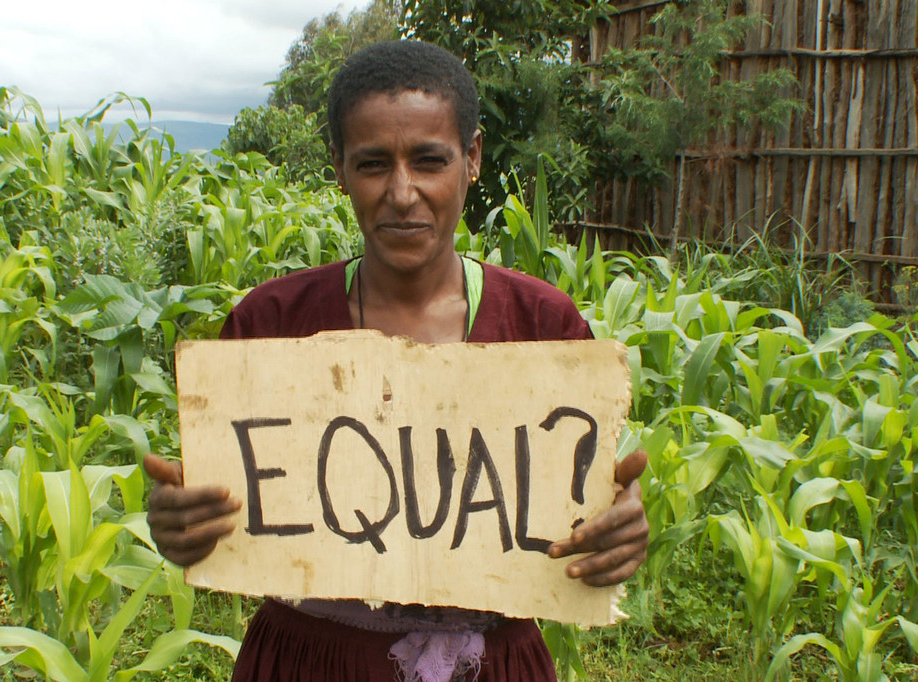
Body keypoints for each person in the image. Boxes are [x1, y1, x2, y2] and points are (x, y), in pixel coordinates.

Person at [144, 40, 649, 682]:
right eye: (374, 163)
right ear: (339, 167)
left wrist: (621, 524)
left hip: (492, 664)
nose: (403, 193)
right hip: (310, 661)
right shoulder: (270, 326)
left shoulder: (542, 328)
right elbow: (213, 500)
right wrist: (179, 520)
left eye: (429, 161)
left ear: (471, 159)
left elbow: (588, 503)